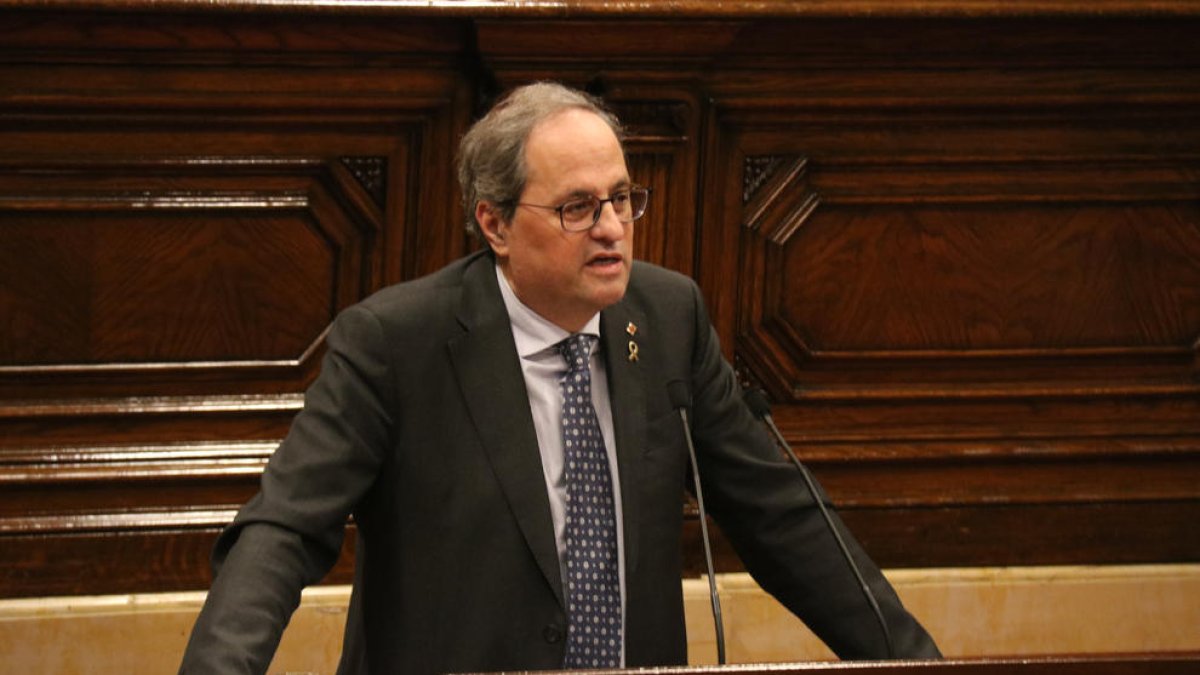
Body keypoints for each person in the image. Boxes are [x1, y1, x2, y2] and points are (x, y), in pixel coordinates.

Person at [179, 81, 940, 674]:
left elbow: (782, 520)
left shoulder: (667, 319)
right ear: (495, 224)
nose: (612, 228)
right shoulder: (396, 342)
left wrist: (914, 663)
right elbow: (283, 527)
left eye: (621, 198)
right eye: (577, 207)